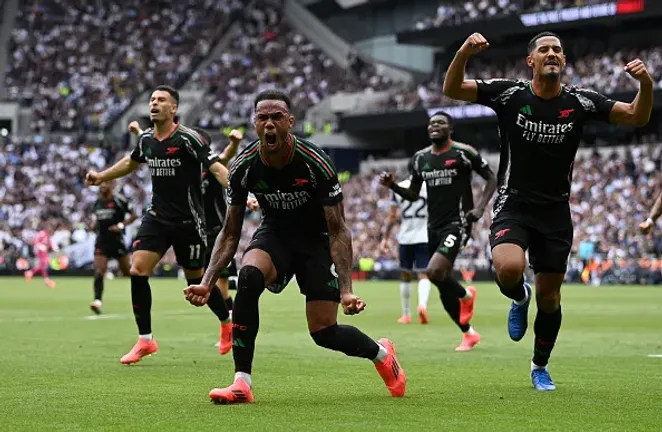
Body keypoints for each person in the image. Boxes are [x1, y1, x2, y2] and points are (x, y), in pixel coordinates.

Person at [442, 32, 653, 389]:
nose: (552, 53)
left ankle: (539, 366)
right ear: (532, 61)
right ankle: (518, 297)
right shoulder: (509, 94)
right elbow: (453, 89)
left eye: (557, 50)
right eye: (544, 50)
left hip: (555, 211)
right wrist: (463, 51)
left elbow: (636, 116)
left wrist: (646, 83)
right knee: (509, 270)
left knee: (550, 298)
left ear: (564, 61)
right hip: (514, 203)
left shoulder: (581, 102)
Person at [184, 89, 406, 404]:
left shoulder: (315, 162)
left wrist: (346, 290)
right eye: (263, 118)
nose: (270, 124)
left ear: (290, 121)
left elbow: (339, 229)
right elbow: (230, 232)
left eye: (277, 117)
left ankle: (382, 355)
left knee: (323, 332)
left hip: (316, 242)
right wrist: (206, 282)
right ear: (254, 123)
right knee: (247, 277)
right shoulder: (245, 166)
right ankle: (241, 383)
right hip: (274, 235)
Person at [85, 85, 232, 365]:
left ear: (173, 108)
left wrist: (240, 194)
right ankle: (145, 339)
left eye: (161, 100)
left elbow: (215, 167)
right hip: (157, 217)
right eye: (152, 99)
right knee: (138, 270)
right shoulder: (146, 140)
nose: (154, 103)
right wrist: (102, 176)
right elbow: (131, 162)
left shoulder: (188, 138)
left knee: (195, 281)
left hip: (189, 221)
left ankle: (226, 322)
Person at [127, 121, 249, 355]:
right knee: (196, 282)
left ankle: (229, 325)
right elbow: (156, 147)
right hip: (195, 229)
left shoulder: (212, 167)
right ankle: (227, 324)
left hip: (218, 233)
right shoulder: (185, 171)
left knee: (216, 286)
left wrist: (234, 143)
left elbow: (223, 159)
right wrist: (137, 133)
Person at [380, 112, 497, 352]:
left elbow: (491, 177)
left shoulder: (464, 153)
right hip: (432, 227)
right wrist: (392, 186)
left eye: (441, 123)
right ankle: (468, 334)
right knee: (441, 282)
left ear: (450, 128)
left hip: (458, 222)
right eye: (432, 123)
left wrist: (480, 207)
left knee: (433, 271)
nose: (435, 126)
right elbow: (413, 194)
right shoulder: (420, 159)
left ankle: (465, 295)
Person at [380, 178, 432, 324]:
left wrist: (385, 237)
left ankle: (406, 314)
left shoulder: (399, 187)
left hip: (406, 237)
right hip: (425, 236)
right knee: (423, 275)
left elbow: (392, 216)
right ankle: (422, 305)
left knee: (405, 275)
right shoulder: (428, 186)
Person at [89, 180, 137, 315]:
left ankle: (140, 294)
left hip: (117, 240)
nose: (103, 186)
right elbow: (95, 220)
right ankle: (97, 301)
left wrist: (121, 226)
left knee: (127, 272)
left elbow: (134, 215)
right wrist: (93, 226)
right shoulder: (97, 203)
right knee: (99, 271)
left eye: (106, 184)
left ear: (112, 185)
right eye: (101, 184)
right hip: (102, 240)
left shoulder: (120, 200)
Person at [24, 222, 57, 289]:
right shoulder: (41, 233)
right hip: (40, 250)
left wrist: (53, 248)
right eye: (50, 227)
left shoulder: (47, 235)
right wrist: (40, 246)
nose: (50, 229)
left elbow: (49, 243)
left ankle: (30, 272)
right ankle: (46, 280)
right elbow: (35, 241)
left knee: (43, 265)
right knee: (44, 264)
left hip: (44, 251)